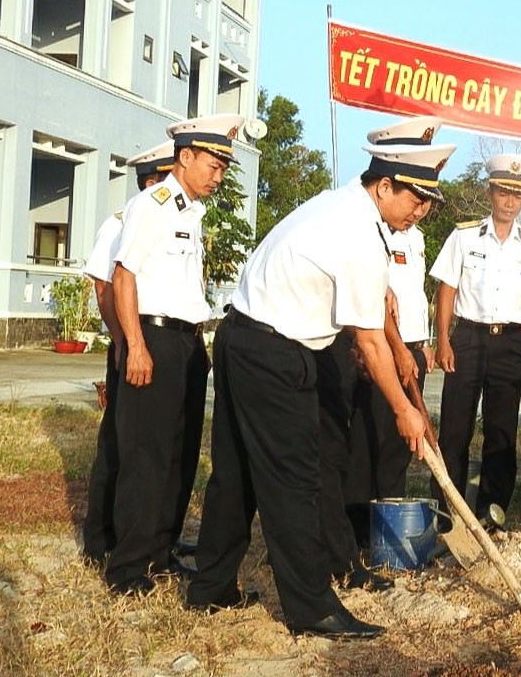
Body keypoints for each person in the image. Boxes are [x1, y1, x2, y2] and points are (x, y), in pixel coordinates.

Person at [185, 141, 450, 639]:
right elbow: (371, 342)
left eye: (428, 203)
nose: (421, 211)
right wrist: (404, 411)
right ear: (385, 186)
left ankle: (212, 586)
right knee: (296, 482)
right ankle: (311, 609)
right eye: (415, 199)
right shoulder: (359, 232)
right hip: (273, 353)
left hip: (242, 336)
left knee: (237, 472)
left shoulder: (337, 206)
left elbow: (358, 320)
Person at [103, 115, 238, 595]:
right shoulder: (154, 205)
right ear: (185, 157)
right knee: (146, 455)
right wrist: (133, 344)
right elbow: (123, 276)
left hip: (185, 341)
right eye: (215, 164)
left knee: (179, 454)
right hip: (154, 339)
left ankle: (160, 553)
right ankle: (127, 568)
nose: (219, 174)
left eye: (224, 166)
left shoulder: (190, 212)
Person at [431, 153, 521, 531]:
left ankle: (492, 513)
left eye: (517, 195)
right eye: (503, 192)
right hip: (467, 337)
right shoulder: (463, 236)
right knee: (454, 430)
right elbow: (446, 290)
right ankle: (446, 512)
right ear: (490, 192)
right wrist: (443, 341)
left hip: (510, 342)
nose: (510, 202)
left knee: (501, 432)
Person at [344, 119, 442, 554]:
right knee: (365, 439)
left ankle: (388, 528)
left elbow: (410, 296)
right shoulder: (369, 226)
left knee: (398, 446)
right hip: (380, 351)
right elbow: (376, 302)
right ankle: (354, 528)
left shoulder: (413, 235)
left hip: (409, 351)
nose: (420, 208)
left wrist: (419, 349)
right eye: (415, 197)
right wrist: (398, 350)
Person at [81, 141, 175, 566]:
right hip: (130, 341)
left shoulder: (173, 216)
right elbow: (104, 288)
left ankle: (150, 535)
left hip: (154, 340)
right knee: (119, 444)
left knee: (150, 443)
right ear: (152, 180)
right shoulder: (119, 223)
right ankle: (102, 537)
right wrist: (122, 341)